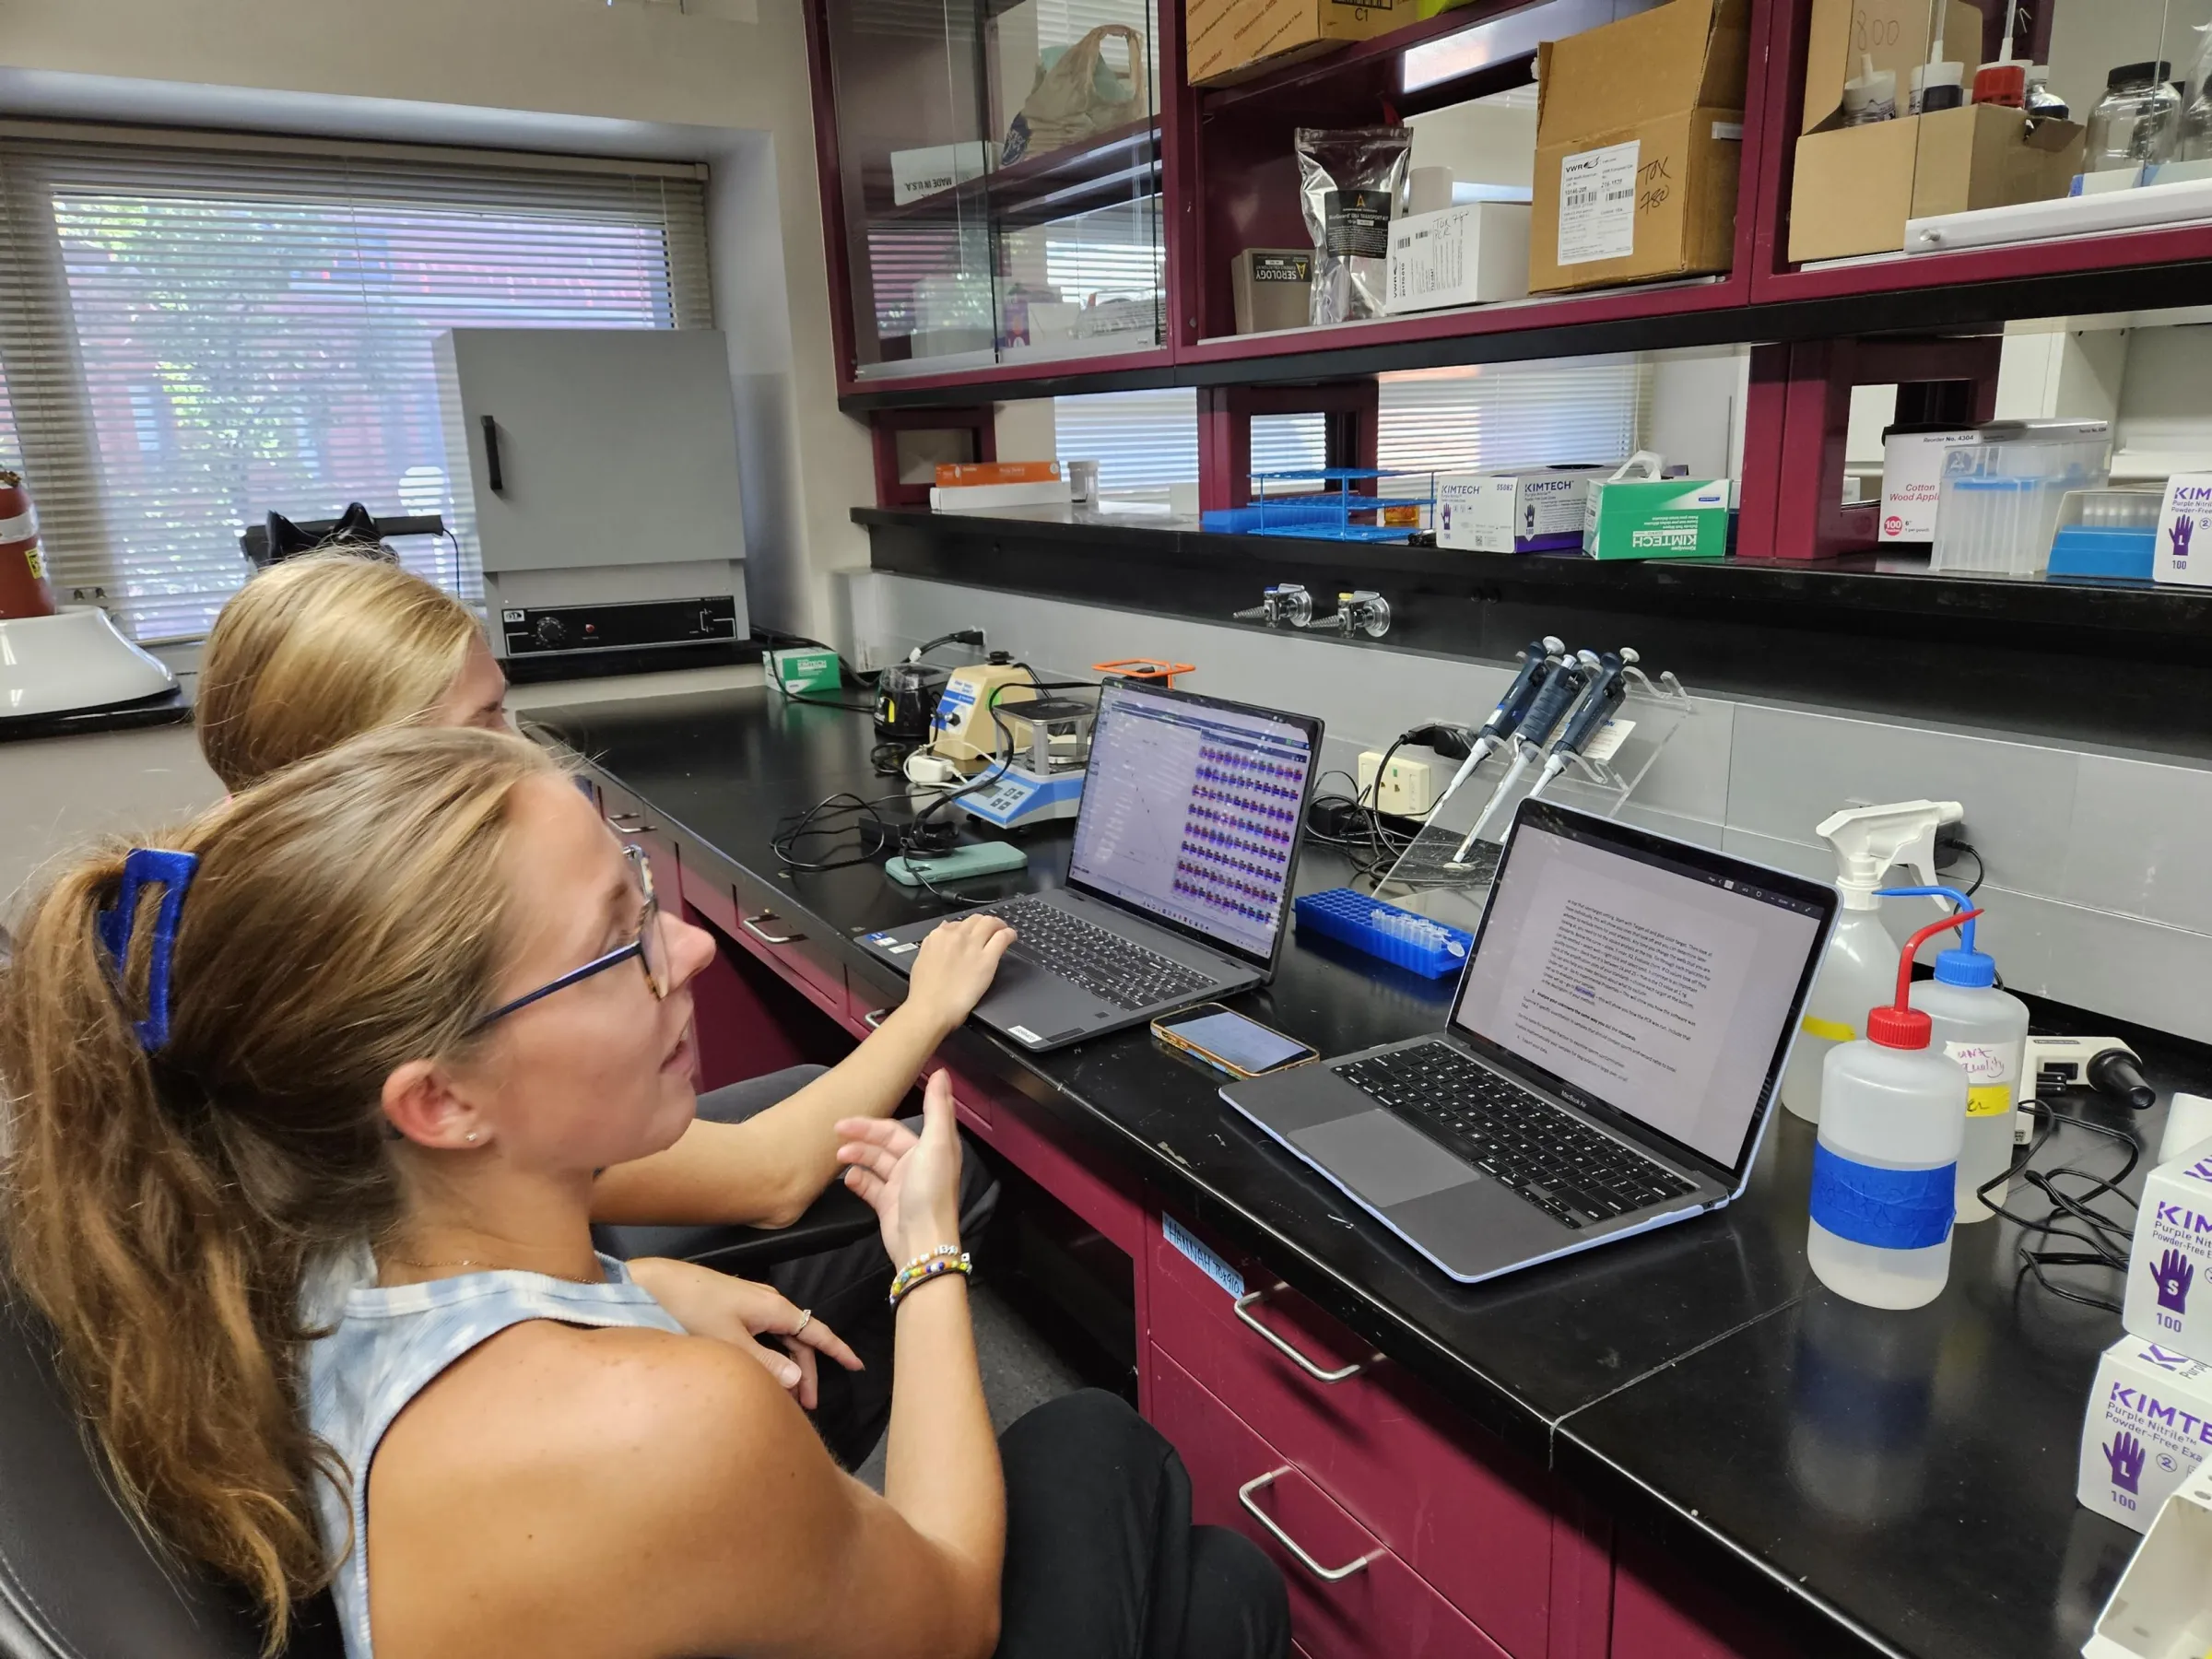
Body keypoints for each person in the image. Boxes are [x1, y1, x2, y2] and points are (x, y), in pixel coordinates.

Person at [0, 725, 1287, 1659]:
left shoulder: (288, 1222)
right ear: (440, 1102)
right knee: (1130, 1473)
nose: (695, 946)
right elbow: (952, 1612)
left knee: (1159, 1525)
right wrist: (928, 1248)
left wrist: (644, 1286)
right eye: (620, 943)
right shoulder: (663, 1428)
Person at [194, 549, 994, 1466]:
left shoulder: (255, 939)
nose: (524, 748)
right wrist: (925, 1008)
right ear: (385, 778)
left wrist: (633, 1282)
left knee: (827, 1090)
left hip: (553, 1276)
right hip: (575, 1391)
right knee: (926, 1169)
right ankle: (796, 1484)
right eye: (486, 723)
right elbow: (770, 1178)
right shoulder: (403, 1020)